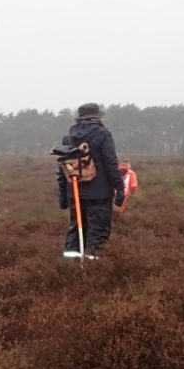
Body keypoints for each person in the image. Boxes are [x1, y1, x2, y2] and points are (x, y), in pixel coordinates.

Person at [56, 103, 125, 258]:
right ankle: (94, 269)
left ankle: (70, 269)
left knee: (75, 229)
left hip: (74, 192)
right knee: (98, 232)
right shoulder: (103, 134)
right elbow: (111, 164)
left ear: (79, 118)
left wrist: (62, 196)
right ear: (98, 116)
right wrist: (119, 190)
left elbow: (62, 168)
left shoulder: (68, 137)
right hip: (99, 194)